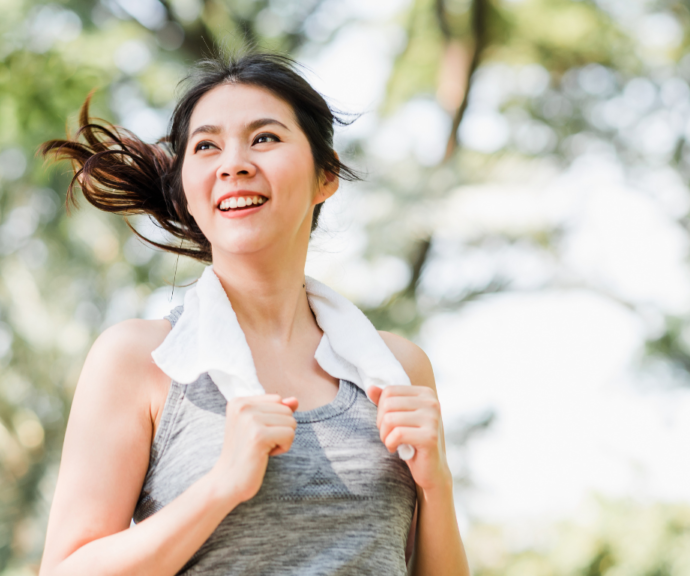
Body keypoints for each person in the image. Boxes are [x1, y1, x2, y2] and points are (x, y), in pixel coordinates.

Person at [36, 50, 469, 576]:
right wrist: (221, 486)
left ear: (325, 176)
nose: (233, 163)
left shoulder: (397, 370)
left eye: (264, 138)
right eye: (206, 146)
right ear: (186, 194)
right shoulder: (141, 360)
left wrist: (437, 484)